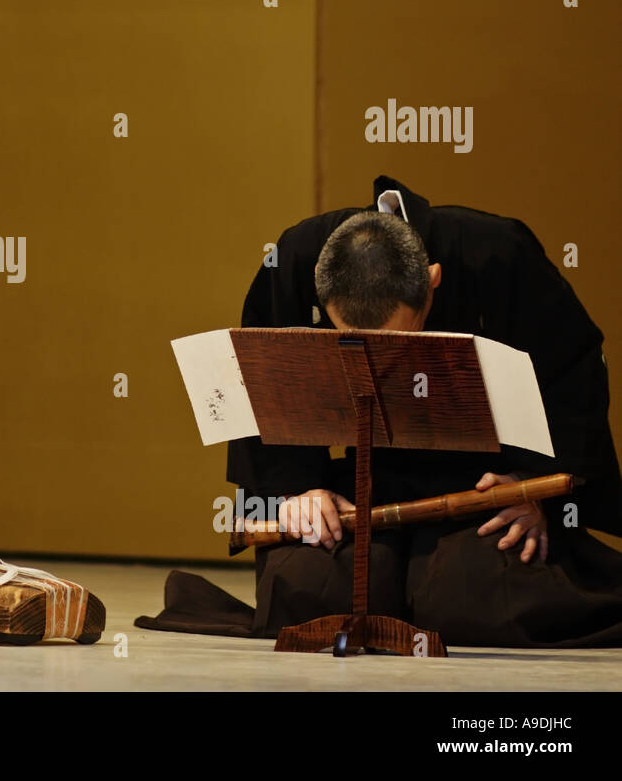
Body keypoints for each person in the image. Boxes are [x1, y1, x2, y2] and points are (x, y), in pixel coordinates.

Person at [137, 175, 622, 647]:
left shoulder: (497, 252)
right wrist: (294, 492)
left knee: (472, 599)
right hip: (357, 487)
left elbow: (573, 370)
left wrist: (531, 483)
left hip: (484, 490)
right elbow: (255, 385)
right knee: (311, 592)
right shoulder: (296, 257)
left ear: (432, 281)